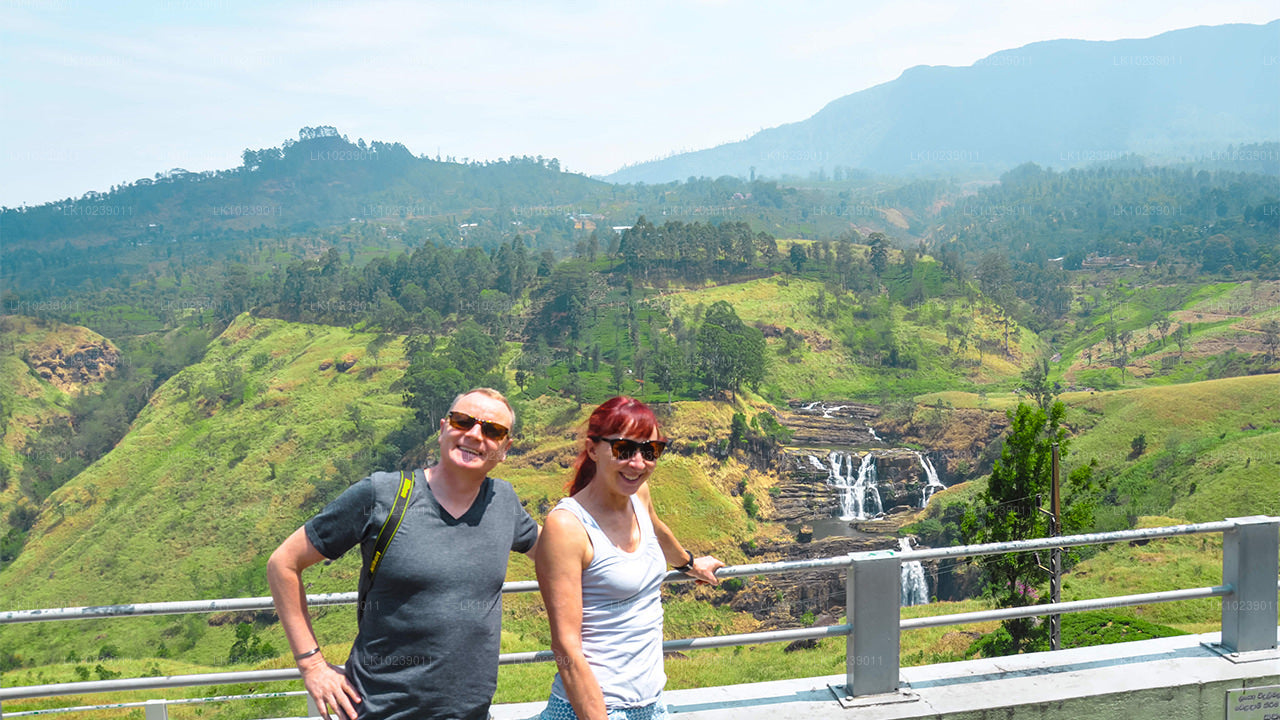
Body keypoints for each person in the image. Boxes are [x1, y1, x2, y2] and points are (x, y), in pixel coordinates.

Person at [267, 387, 538, 720]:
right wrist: (312, 665)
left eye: (492, 430)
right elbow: (283, 563)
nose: (474, 434)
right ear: (442, 428)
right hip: (379, 711)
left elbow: (560, 556)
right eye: (463, 421)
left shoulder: (503, 501)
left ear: (505, 449)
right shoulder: (383, 494)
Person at [536, 396, 724, 720]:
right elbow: (566, 648)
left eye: (650, 451)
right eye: (624, 449)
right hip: (594, 711)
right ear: (593, 449)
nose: (638, 463)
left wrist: (689, 564)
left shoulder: (638, 494)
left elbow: (656, 529)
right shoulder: (566, 526)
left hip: (651, 706)